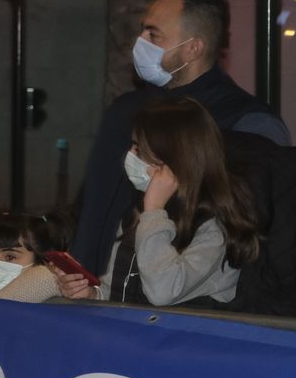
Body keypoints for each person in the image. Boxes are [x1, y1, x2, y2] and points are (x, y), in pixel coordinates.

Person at [73, 0, 286, 278]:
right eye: (143, 30)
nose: (141, 42)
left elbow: (248, 230)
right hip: (99, 293)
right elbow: (92, 205)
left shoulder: (247, 123)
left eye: (153, 35)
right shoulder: (125, 111)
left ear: (193, 48)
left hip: (177, 302)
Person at [54, 96, 260, 307]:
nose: (130, 156)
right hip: (132, 330)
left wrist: (153, 210)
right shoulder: (139, 211)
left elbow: (162, 292)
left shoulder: (213, 229)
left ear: (174, 163)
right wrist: (91, 294)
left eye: (139, 151)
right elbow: (118, 289)